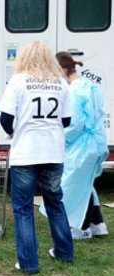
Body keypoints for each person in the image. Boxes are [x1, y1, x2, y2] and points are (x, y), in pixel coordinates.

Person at [0, 41, 74, 274]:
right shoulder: (61, 83)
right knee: (55, 202)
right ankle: (64, 252)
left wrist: (15, 133)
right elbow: (67, 120)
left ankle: (29, 263)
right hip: (53, 151)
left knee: (23, 209)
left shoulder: (18, 81)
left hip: (26, 153)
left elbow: (5, 118)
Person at [40, 52, 109, 239]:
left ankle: (82, 227)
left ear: (62, 69)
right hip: (96, 143)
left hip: (83, 146)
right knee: (86, 183)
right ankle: (97, 224)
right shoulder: (89, 85)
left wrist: (59, 137)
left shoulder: (74, 92)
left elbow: (75, 125)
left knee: (73, 186)